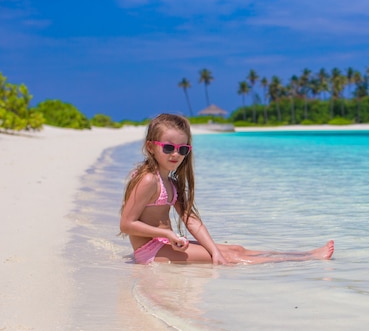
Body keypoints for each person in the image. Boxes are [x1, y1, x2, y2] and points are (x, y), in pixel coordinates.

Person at [120, 113, 334, 265]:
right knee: (231, 259)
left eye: (182, 149)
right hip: (149, 251)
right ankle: (310, 259)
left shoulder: (172, 181)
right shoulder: (149, 180)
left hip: (166, 243)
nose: (175, 154)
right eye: (168, 148)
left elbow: (190, 219)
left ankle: (304, 254)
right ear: (151, 147)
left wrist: (213, 249)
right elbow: (127, 224)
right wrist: (166, 232)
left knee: (235, 249)